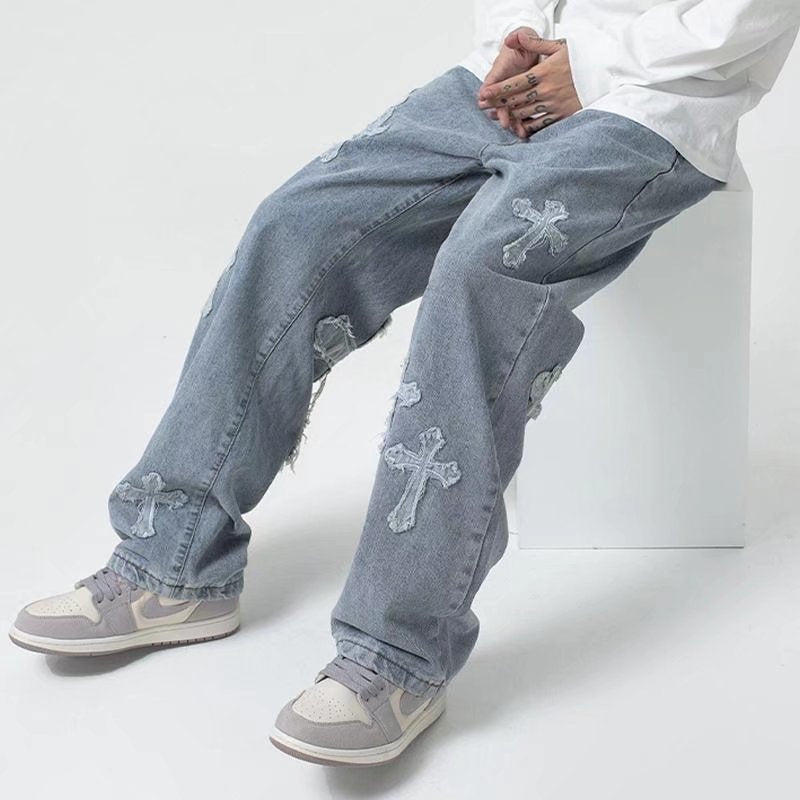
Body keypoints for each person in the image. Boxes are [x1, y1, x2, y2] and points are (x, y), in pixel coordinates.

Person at [9, 0, 798, 768]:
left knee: (477, 274)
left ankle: (397, 654)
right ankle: (172, 559)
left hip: (658, 101)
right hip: (511, 78)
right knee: (297, 222)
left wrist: (589, 65)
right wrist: (516, 36)